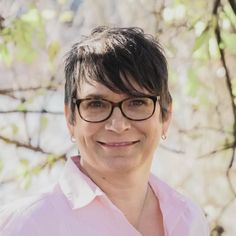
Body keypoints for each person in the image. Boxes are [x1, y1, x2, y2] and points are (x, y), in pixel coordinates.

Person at [0, 26, 209, 236]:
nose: (118, 125)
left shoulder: (189, 219)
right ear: (70, 118)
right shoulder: (28, 225)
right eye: (97, 104)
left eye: (136, 102)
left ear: (165, 116)